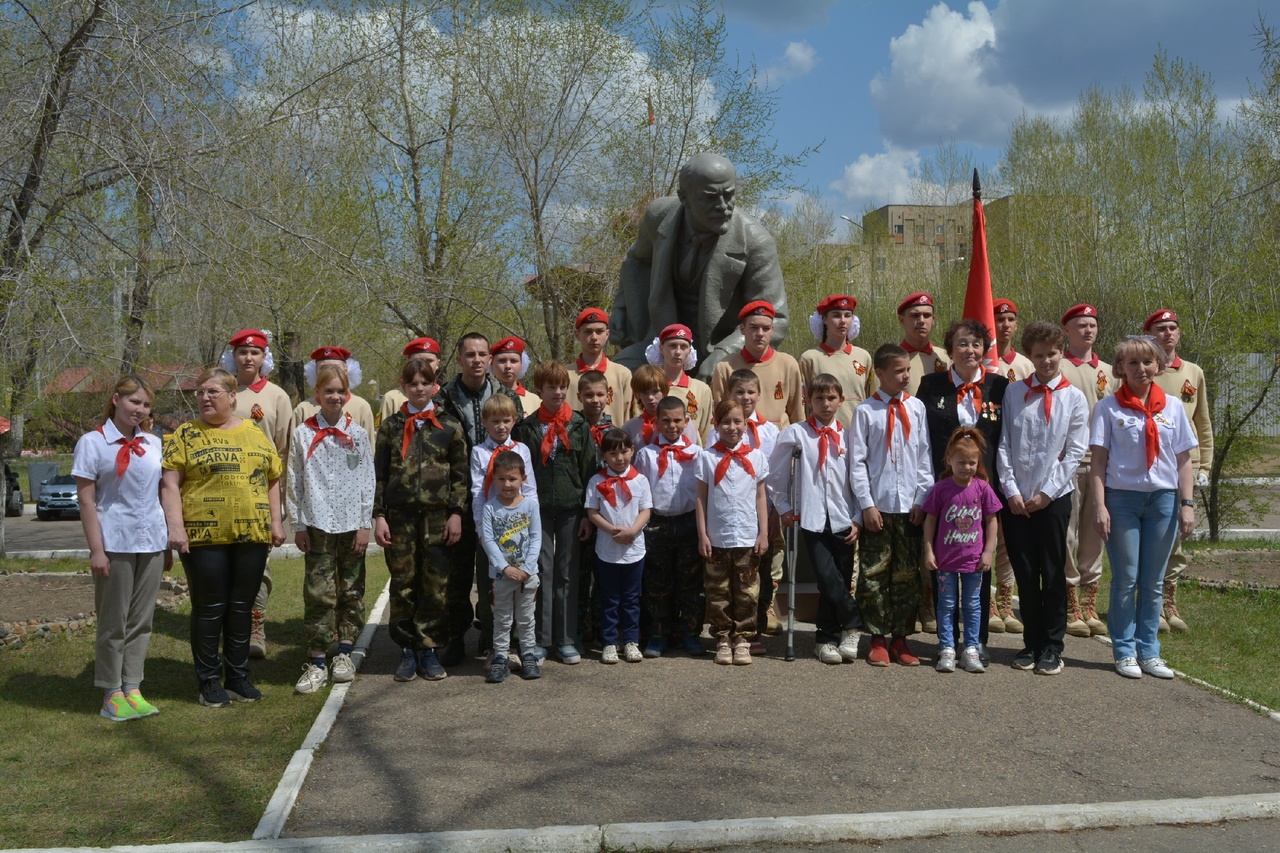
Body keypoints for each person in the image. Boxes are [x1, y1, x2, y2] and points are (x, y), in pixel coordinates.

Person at [160, 367, 285, 708]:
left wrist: (276, 521)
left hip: (252, 535)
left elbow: (272, 477)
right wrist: (175, 527)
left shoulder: (255, 433)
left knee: (242, 608)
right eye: (200, 393)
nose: (204, 397)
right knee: (210, 608)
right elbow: (170, 483)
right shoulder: (185, 434)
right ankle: (209, 681)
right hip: (204, 537)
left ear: (232, 397)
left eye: (213, 391)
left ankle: (239, 678)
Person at [610, 152, 787, 381]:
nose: (724, 206)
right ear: (684, 197)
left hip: (719, 351)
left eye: (729, 195)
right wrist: (621, 309)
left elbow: (777, 316)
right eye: (710, 197)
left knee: (723, 384)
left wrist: (726, 354)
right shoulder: (657, 216)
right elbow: (636, 260)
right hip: (661, 345)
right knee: (618, 375)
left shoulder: (756, 242)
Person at [1089, 336, 1197, 680]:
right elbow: (1098, 463)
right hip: (1122, 499)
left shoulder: (1174, 408)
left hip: (1163, 501)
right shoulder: (1108, 408)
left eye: (1147, 362)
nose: (1140, 369)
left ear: (1158, 366)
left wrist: (1187, 504)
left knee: (1153, 582)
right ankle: (1124, 651)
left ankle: (1149, 651)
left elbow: (1183, 462)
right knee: (1127, 578)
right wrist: (1100, 506)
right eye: (1132, 363)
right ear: (1120, 368)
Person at [73, 375, 168, 721]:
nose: (140, 410)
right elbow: (86, 502)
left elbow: (160, 495)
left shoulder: (153, 443)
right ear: (116, 399)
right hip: (115, 542)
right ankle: (111, 692)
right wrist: (97, 551)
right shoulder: (92, 443)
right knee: (114, 621)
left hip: (152, 543)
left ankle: (133, 686)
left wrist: (167, 543)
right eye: (134, 402)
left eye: (146, 405)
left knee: (141, 621)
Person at [997, 321, 1089, 675]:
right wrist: (1012, 491)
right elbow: (1003, 443)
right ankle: (1030, 642)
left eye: (1052, 353)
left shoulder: (1074, 397)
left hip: (1053, 499)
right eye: (1039, 355)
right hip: (1017, 500)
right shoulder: (1013, 392)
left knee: (1052, 573)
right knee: (1024, 571)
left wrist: (1047, 494)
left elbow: (1074, 450)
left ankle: (1052, 645)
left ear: (1061, 352)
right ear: (1030, 357)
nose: (1046, 361)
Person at [917, 319, 1009, 662]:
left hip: (984, 494)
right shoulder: (930, 385)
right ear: (950, 349)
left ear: (985, 349)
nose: (970, 351)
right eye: (962, 344)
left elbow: (1007, 440)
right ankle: (945, 642)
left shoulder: (1000, 387)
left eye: (976, 344)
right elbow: (920, 441)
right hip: (942, 494)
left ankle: (975, 640)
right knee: (944, 567)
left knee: (978, 570)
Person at [372, 357, 469, 683]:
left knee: (435, 586)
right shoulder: (389, 427)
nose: (418, 388)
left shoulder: (449, 427)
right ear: (404, 386)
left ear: (434, 386)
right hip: (399, 519)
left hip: (437, 519)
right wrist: (379, 516)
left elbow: (460, 477)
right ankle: (407, 649)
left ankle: (429, 648)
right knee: (403, 585)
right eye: (412, 383)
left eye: (424, 383)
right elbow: (380, 476)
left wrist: (456, 513)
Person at [287, 363, 376, 695]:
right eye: (329, 391)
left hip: (352, 524)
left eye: (341, 391)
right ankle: (317, 660)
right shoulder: (303, 434)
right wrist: (298, 524)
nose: (335, 397)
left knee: (351, 589)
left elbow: (368, 480)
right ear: (317, 395)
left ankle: (344, 652)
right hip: (318, 523)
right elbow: (294, 481)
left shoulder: (358, 435)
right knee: (318, 592)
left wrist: (364, 524)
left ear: (347, 393)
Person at [436, 332, 521, 665]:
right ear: (459, 359)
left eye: (482, 354)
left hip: (499, 500)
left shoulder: (505, 396)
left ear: (489, 358)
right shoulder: (443, 398)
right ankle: (456, 636)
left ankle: (493, 637)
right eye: (469, 354)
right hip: (458, 496)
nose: (476, 360)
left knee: (497, 573)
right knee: (456, 573)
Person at [767, 374, 863, 665]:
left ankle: (828, 638)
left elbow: (858, 480)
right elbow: (776, 476)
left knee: (841, 580)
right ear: (808, 400)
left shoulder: (849, 436)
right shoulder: (796, 434)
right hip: (811, 518)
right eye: (819, 398)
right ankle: (855, 619)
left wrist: (858, 517)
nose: (825, 404)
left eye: (831, 398)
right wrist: (784, 507)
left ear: (840, 400)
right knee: (826, 575)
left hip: (844, 518)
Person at [847, 344, 933, 667]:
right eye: (898, 371)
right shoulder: (866, 412)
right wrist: (867, 505)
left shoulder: (917, 409)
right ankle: (878, 638)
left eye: (908, 370)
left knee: (907, 576)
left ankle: (901, 638)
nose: (906, 376)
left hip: (909, 507)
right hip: (879, 508)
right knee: (874, 574)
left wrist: (921, 499)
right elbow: (857, 463)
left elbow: (924, 457)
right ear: (879, 374)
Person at [513, 360, 598, 665]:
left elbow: (590, 472)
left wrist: (588, 514)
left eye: (563, 386)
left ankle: (565, 639)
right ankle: (541, 639)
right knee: (542, 573)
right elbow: (518, 471)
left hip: (571, 510)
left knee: (567, 573)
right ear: (540, 390)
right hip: (537, 512)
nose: (558, 392)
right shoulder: (526, 428)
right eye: (552, 387)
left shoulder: (578, 425)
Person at [223, 328, 291, 660]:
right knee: (225, 564)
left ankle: (255, 627)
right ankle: (229, 627)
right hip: (222, 495)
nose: (248, 358)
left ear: (265, 358)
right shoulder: (221, 391)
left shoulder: (277, 396)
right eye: (242, 353)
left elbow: (284, 450)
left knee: (257, 565)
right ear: (232, 356)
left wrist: (281, 506)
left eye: (255, 353)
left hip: (262, 494)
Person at [1146, 308, 1213, 632]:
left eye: (1172, 327)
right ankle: (1151, 604)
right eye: (1161, 328)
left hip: (1185, 467)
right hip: (1151, 466)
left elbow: (1202, 421)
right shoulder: (1144, 371)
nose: (1167, 333)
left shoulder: (1192, 371)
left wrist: (1206, 464)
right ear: (1150, 335)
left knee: (1177, 540)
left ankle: (1169, 604)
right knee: (1154, 539)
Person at [707, 368, 782, 645]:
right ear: (729, 393)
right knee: (727, 582)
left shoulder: (771, 431)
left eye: (751, 391)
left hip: (761, 516)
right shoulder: (721, 430)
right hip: (726, 520)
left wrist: (773, 515)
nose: (746, 397)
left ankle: (755, 630)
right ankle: (727, 633)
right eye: (739, 391)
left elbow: (774, 477)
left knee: (757, 576)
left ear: (759, 394)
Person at [696, 399, 769, 665]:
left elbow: (761, 497)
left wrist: (763, 533)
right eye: (725, 421)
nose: (732, 427)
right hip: (717, 537)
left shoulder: (756, 457)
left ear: (746, 424)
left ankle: (743, 639)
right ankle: (722, 638)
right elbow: (701, 499)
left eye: (737, 421)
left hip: (748, 536)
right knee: (718, 591)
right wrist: (702, 534)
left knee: (747, 592)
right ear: (715, 424)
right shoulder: (707, 457)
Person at [923, 429, 1002, 674]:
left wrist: (989, 551)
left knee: (973, 605)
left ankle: (971, 648)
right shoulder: (941, 489)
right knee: (946, 605)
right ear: (949, 460)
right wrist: (928, 550)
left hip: (974, 561)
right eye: (961, 462)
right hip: (945, 560)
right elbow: (930, 522)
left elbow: (992, 520)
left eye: (972, 462)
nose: (967, 467)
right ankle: (947, 647)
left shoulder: (982, 489)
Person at [633, 396, 704, 657]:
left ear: (687, 421)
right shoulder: (646, 455)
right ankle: (657, 633)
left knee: (690, 581)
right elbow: (640, 491)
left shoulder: (697, 454)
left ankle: (690, 632)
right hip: (657, 524)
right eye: (666, 420)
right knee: (656, 583)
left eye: (677, 420)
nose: (672, 425)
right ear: (656, 422)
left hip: (688, 520)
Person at [1059, 304, 1113, 638]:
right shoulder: (1058, 365)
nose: (1088, 331)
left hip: (1100, 463)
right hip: (1067, 463)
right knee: (1068, 533)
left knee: (1095, 532)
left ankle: (1088, 600)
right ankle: (1069, 602)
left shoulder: (1108, 370)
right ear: (1067, 330)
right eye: (1081, 325)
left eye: (1092, 324)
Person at [585, 429, 653, 665]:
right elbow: (592, 512)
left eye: (624, 451)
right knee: (610, 598)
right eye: (613, 453)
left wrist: (633, 530)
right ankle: (609, 642)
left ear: (632, 451)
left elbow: (646, 509)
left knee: (632, 598)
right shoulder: (597, 481)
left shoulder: (640, 480)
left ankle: (632, 641)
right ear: (604, 455)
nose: (620, 458)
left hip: (634, 550)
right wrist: (611, 530)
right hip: (608, 549)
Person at [478, 452, 542, 683]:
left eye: (513, 479)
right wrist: (505, 568)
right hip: (501, 576)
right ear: (494, 479)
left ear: (523, 479)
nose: (507, 484)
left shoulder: (531, 506)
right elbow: (488, 541)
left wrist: (526, 568)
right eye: (502, 479)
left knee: (526, 619)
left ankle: (528, 656)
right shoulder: (489, 509)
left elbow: (536, 538)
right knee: (502, 619)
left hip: (528, 576)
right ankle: (501, 659)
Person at [709, 300, 804, 428]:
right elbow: (719, 414)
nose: (760, 334)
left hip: (780, 441)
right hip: (740, 441)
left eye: (766, 328)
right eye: (754, 327)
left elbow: (797, 412)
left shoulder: (788, 364)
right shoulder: (725, 367)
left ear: (772, 330)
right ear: (742, 329)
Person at [798, 294, 874, 427]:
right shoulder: (810, 359)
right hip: (821, 435)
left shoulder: (863, 356)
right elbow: (803, 403)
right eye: (836, 315)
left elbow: (871, 398)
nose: (843, 320)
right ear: (824, 319)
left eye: (847, 315)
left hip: (858, 433)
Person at [290, 346, 376, 439]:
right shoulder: (303, 410)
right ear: (315, 372)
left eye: (336, 368)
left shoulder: (361, 408)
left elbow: (369, 450)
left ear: (346, 371)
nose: (329, 372)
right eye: (323, 368)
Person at [647, 322, 713, 441]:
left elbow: (707, 431)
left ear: (689, 350)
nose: (678, 352)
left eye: (683, 347)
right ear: (661, 348)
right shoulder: (649, 387)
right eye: (672, 346)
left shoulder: (702, 389)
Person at [569, 307, 633, 427]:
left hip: (613, 444)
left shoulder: (622, 375)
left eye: (599, 331)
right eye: (588, 332)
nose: (594, 337)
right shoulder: (565, 375)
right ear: (577, 335)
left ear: (607, 334)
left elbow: (631, 418)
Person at [622, 365, 700, 448]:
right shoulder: (630, 427)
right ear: (638, 394)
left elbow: (693, 452)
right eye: (645, 393)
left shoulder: (681, 422)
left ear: (664, 391)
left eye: (655, 391)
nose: (650, 397)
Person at [897, 293, 951, 395]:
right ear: (902, 320)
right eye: (915, 316)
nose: (921, 321)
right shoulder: (890, 359)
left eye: (927, 315)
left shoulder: (946, 358)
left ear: (933, 320)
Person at [379, 337, 442, 424]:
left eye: (429, 361)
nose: (423, 365)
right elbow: (383, 433)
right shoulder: (392, 398)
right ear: (408, 363)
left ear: (438, 364)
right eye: (418, 361)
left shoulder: (446, 397)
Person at [490, 335, 541, 418]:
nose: (508, 366)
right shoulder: (484, 396)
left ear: (522, 364)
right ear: (491, 363)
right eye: (502, 361)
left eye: (513, 361)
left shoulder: (535, 401)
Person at [993, 299, 1035, 383]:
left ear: (1016, 325)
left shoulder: (1026, 366)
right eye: (1000, 320)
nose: (1006, 325)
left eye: (1011, 319)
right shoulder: (981, 363)